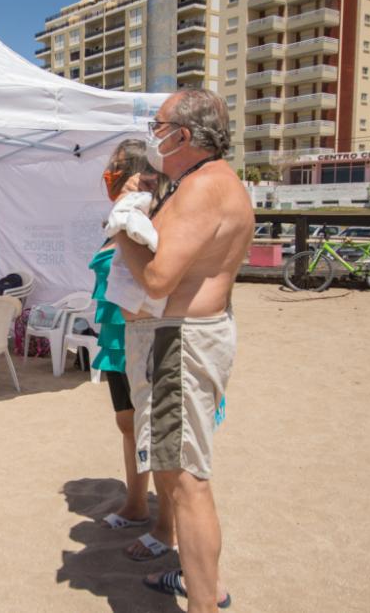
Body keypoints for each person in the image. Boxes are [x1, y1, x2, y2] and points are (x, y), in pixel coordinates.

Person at [115, 89, 253, 612]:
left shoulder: (203, 188)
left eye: (160, 124)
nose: (154, 133)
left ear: (184, 136)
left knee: (186, 482)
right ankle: (204, 586)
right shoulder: (209, 183)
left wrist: (120, 221)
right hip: (185, 340)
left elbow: (157, 277)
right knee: (178, 474)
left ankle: (204, 602)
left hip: (178, 344)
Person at [90, 140, 176, 563]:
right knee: (128, 425)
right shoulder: (121, 216)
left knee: (158, 431)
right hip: (115, 340)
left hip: (147, 336)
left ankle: (168, 525)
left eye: (118, 168)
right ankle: (137, 504)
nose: (111, 175)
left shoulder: (151, 216)